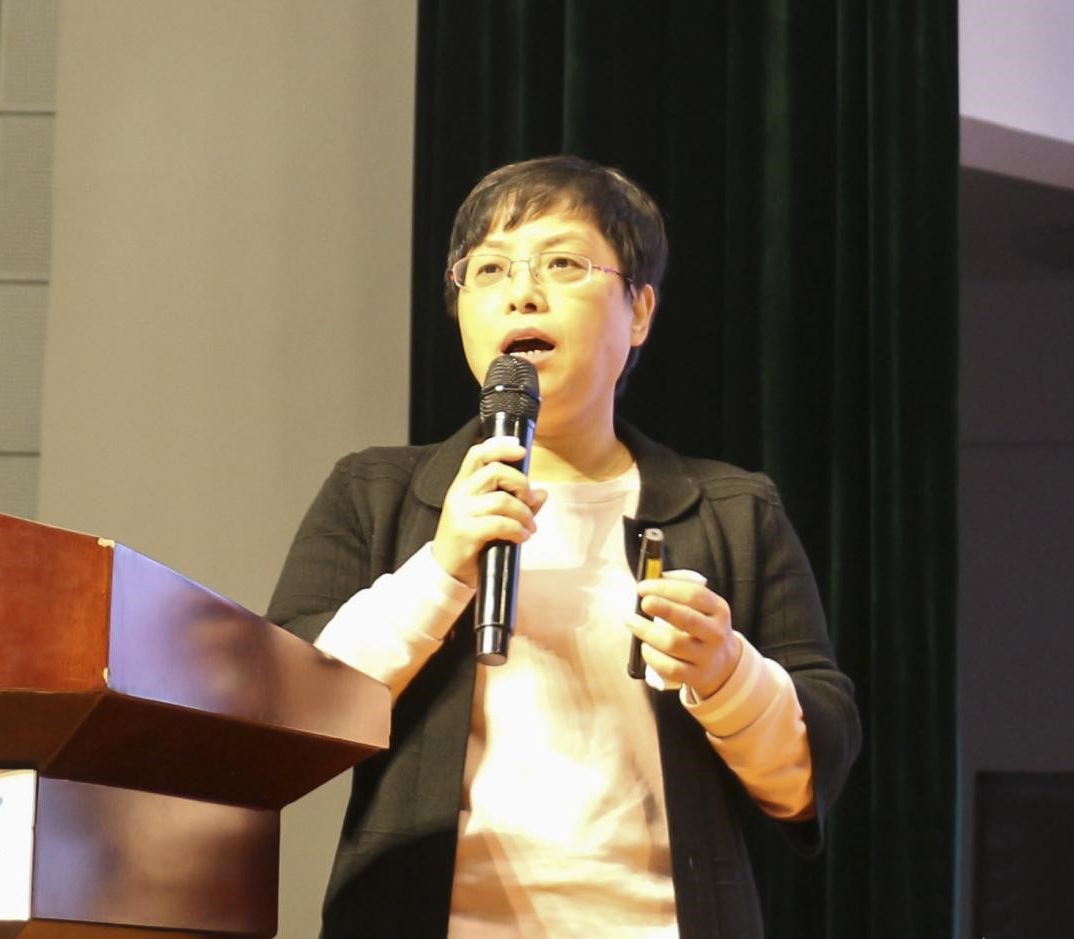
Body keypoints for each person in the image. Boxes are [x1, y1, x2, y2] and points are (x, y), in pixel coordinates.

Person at [267, 155, 861, 938]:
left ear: (639, 311)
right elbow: (278, 720)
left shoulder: (733, 513)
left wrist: (726, 672)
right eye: (489, 269)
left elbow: (805, 782)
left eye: (562, 263)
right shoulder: (374, 493)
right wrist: (439, 571)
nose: (522, 291)